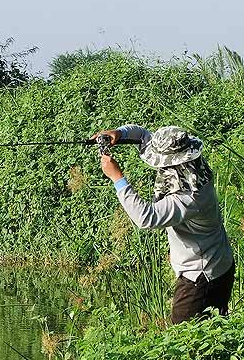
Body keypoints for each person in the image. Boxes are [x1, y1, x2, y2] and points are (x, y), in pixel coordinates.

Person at [94, 125, 235, 323]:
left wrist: (118, 178)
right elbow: (142, 135)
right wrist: (119, 134)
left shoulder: (191, 196)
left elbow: (146, 218)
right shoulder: (194, 166)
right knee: (216, 331)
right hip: (220, 262)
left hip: (202, 276)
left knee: (185, 338)